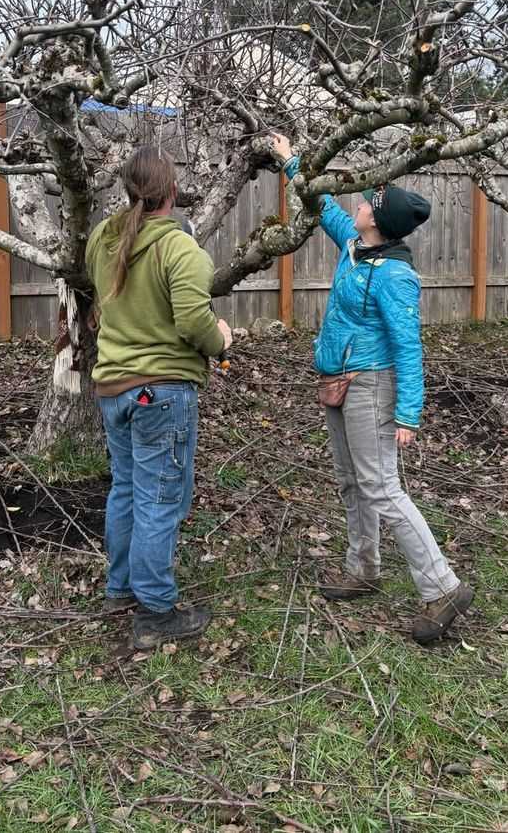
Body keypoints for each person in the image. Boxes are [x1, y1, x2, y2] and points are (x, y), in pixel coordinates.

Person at [271, 134, 473, 644]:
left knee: (382, 488)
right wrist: (290, 161)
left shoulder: (395, 276)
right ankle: (362, 569)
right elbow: (322, 206)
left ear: (379, 221)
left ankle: (442, 586)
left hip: (373, 386)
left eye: (365, 203)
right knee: (350, 482)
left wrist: (408, 414)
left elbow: (409, 347)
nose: (356, 204)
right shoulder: (355, 247)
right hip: (338, 381)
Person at [85, 146, 232, 651]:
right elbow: (193, 322)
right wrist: (222, 339)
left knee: (126, 488)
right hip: (161, 393)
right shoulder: (181, 250)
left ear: (129, 191)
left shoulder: (104, 241)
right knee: (160, 498)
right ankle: (154, 610)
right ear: (173, 191)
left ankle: (119, 588)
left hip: (112, 390)